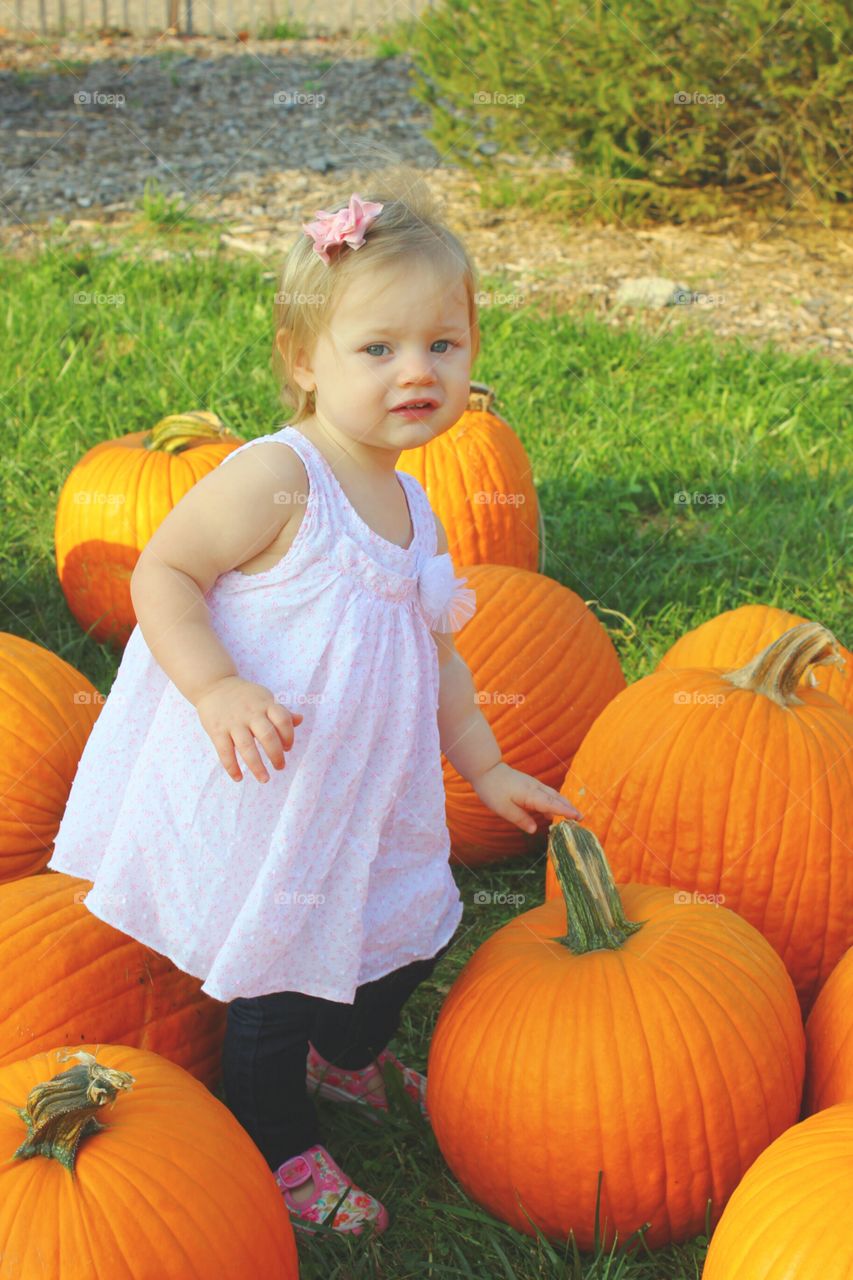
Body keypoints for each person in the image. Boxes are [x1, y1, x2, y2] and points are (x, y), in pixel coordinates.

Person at [47, 170, 581, 1238]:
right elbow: (162, 573)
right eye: (377, 349)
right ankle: (277, 1141)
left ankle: (348, 1057)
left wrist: (484, 767)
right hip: (272, 785)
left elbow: (434, 658)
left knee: (416, 927)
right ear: (304, 361)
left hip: (367, 791)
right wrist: (217, 684)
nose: (416, 370)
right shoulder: (278, 478)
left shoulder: (417, 505)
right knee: (278, 984)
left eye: (442, 344)